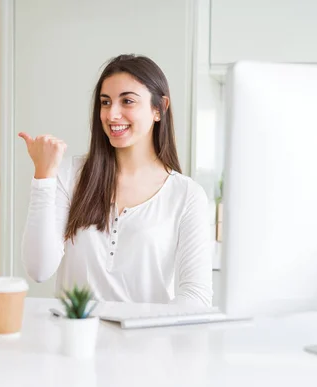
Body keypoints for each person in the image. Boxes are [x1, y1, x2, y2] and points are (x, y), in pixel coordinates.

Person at [19, 54, 212, 306]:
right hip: (74, 339)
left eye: (127, 101)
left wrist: (149, 334)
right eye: (106, 102)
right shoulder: (69, 175)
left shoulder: (186, 195)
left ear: (159, 108)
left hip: (144, 342)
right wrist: (43, 177)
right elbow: (39, 269)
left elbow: (196, 295)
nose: (112, 115)